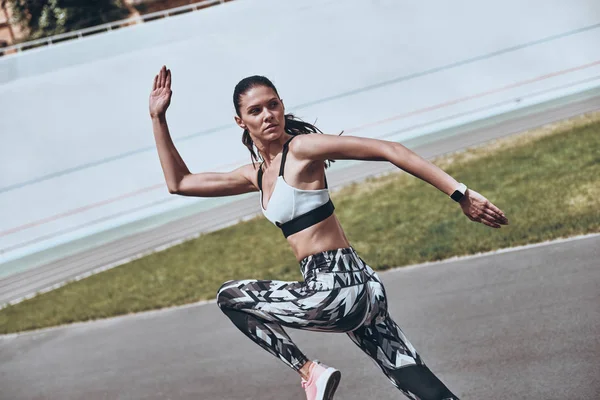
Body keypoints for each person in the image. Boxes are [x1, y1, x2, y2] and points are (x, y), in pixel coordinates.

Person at [149, 65, 509, 400]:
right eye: (256, 111)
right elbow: (179, 182)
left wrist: (460, 194)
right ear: (240, 121)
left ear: (282, 106)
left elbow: (389, 150)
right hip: (364, 291)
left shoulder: (302, 149)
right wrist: (158, 118)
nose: (268, 115)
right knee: (419, 382)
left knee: (230, 296)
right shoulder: (256, 175)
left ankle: (309, 372)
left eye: (273, 105)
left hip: (335, 290)